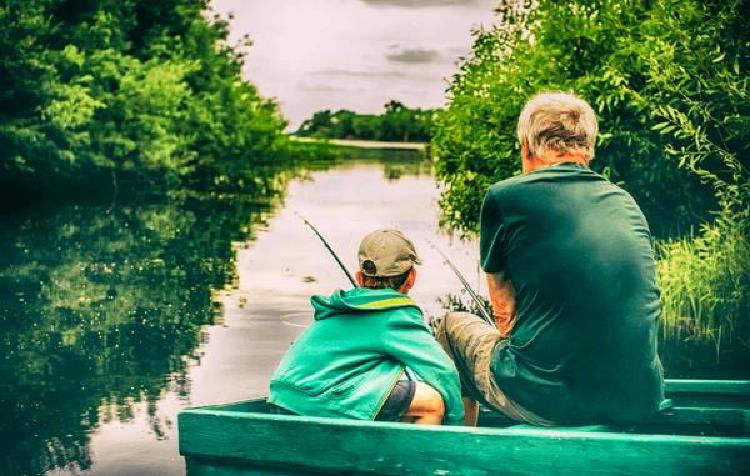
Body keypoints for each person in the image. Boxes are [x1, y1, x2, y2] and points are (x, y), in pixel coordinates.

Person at [436, 91, 665, 426]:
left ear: (527, 146)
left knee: (451, 327)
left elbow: (504, 312)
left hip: (553, 404)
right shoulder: (625, 201)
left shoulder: (505, 197)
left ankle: (460, 448)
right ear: (589, 149)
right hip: (639, 397)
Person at [269, 229, 464, 425]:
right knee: (432, 403)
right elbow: (443, 372)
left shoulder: (343, 304)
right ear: (411, 278)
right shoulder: (397, 315)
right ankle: (424, 455)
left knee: (398, 387)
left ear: (360, 278)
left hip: (284, 392)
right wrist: (456, 425)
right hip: (315, 398)